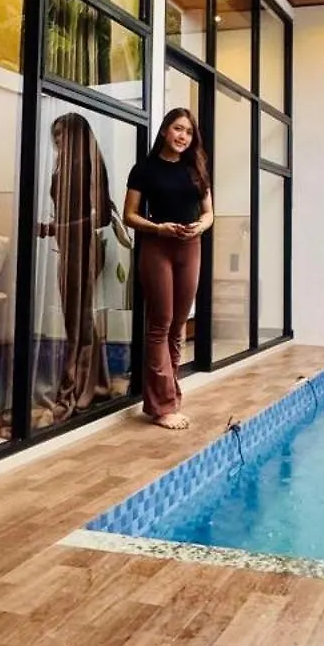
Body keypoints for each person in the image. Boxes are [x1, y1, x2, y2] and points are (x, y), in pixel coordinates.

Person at [124, 107, 213, 430]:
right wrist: (158, 228)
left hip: (190, 246)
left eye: (188, 132)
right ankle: (162, 405)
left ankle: (169, 395)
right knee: (160, 323)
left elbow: (209, 213)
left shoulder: (196, 169)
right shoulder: (144, 169)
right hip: (157, 246)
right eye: (178, 129)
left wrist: (200, 226)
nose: (182, 136)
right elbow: (129, 215)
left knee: (178, 325)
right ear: (164, 131)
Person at [35, 112, 114, 426]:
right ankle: (96, 383)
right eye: (55, 136)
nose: (57, 141)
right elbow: (68, 216)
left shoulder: (88, 165)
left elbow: (101, 216)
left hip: (85, 249)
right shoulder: (63, 167)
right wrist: (53, 229)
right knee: (78, 319)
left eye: (62, 135)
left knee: (78, 317)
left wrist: (58, 228)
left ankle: (78, 386)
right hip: (69, 248)